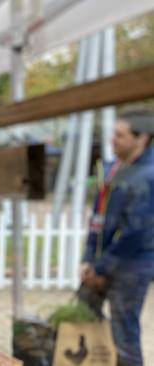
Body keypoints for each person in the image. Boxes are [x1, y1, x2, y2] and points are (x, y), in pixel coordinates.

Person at [78, 108, 154, 366]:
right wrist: (88, 259)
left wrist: (101, 267)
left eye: (120, 135)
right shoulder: (112, 169)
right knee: (82, 315)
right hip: (102, 263)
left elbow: (136, 232)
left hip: (132, 266)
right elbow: (98, 218)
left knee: (124, 334)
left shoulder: (148, 176)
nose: (112, 139)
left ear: (142, 138)